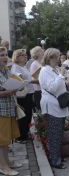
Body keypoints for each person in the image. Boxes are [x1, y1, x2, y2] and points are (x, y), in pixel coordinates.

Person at [39, 48, 69, 169]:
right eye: (56, 57)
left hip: (58, 105)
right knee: (54, 134)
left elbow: (60, 84)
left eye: (58, 57)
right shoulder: (44, 71)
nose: (58, 60)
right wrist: (61, 75)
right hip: (51, 106)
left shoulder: (54, 69)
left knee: (59, 133)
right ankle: (55, 161)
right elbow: (52, 87)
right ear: (49, 58)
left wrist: (64, 76)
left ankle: (58, 156)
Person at [0, 46, 21, 176]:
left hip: (9, 108)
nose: (5, 57)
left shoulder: (6, 70)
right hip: (1, 110)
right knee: (1, 141)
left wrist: (19, 85)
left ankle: (7, 163)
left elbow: (14, 82)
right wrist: (9, 91)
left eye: (5, 55)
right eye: (1, 55)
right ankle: (4, 167)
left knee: (6, 140)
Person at [11, 49, 36, 143]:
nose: (25, 56)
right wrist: (31, 80)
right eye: (22, 55)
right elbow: (18, 79)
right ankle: (20, 136)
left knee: (28, 114)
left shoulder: (24, 66)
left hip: (29, 92)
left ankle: (25, 133)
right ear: (17, 57)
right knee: (23, 116)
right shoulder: (15, 67)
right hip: (22, 95)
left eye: (25, 55)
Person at [29, 46, 44, 112]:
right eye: (41, 50)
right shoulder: (34, 64)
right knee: (40, 109)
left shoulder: (43, 63)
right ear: (36, 53)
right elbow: (33, 78)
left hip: (45, 89)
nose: (43, 50)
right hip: (38, 90)